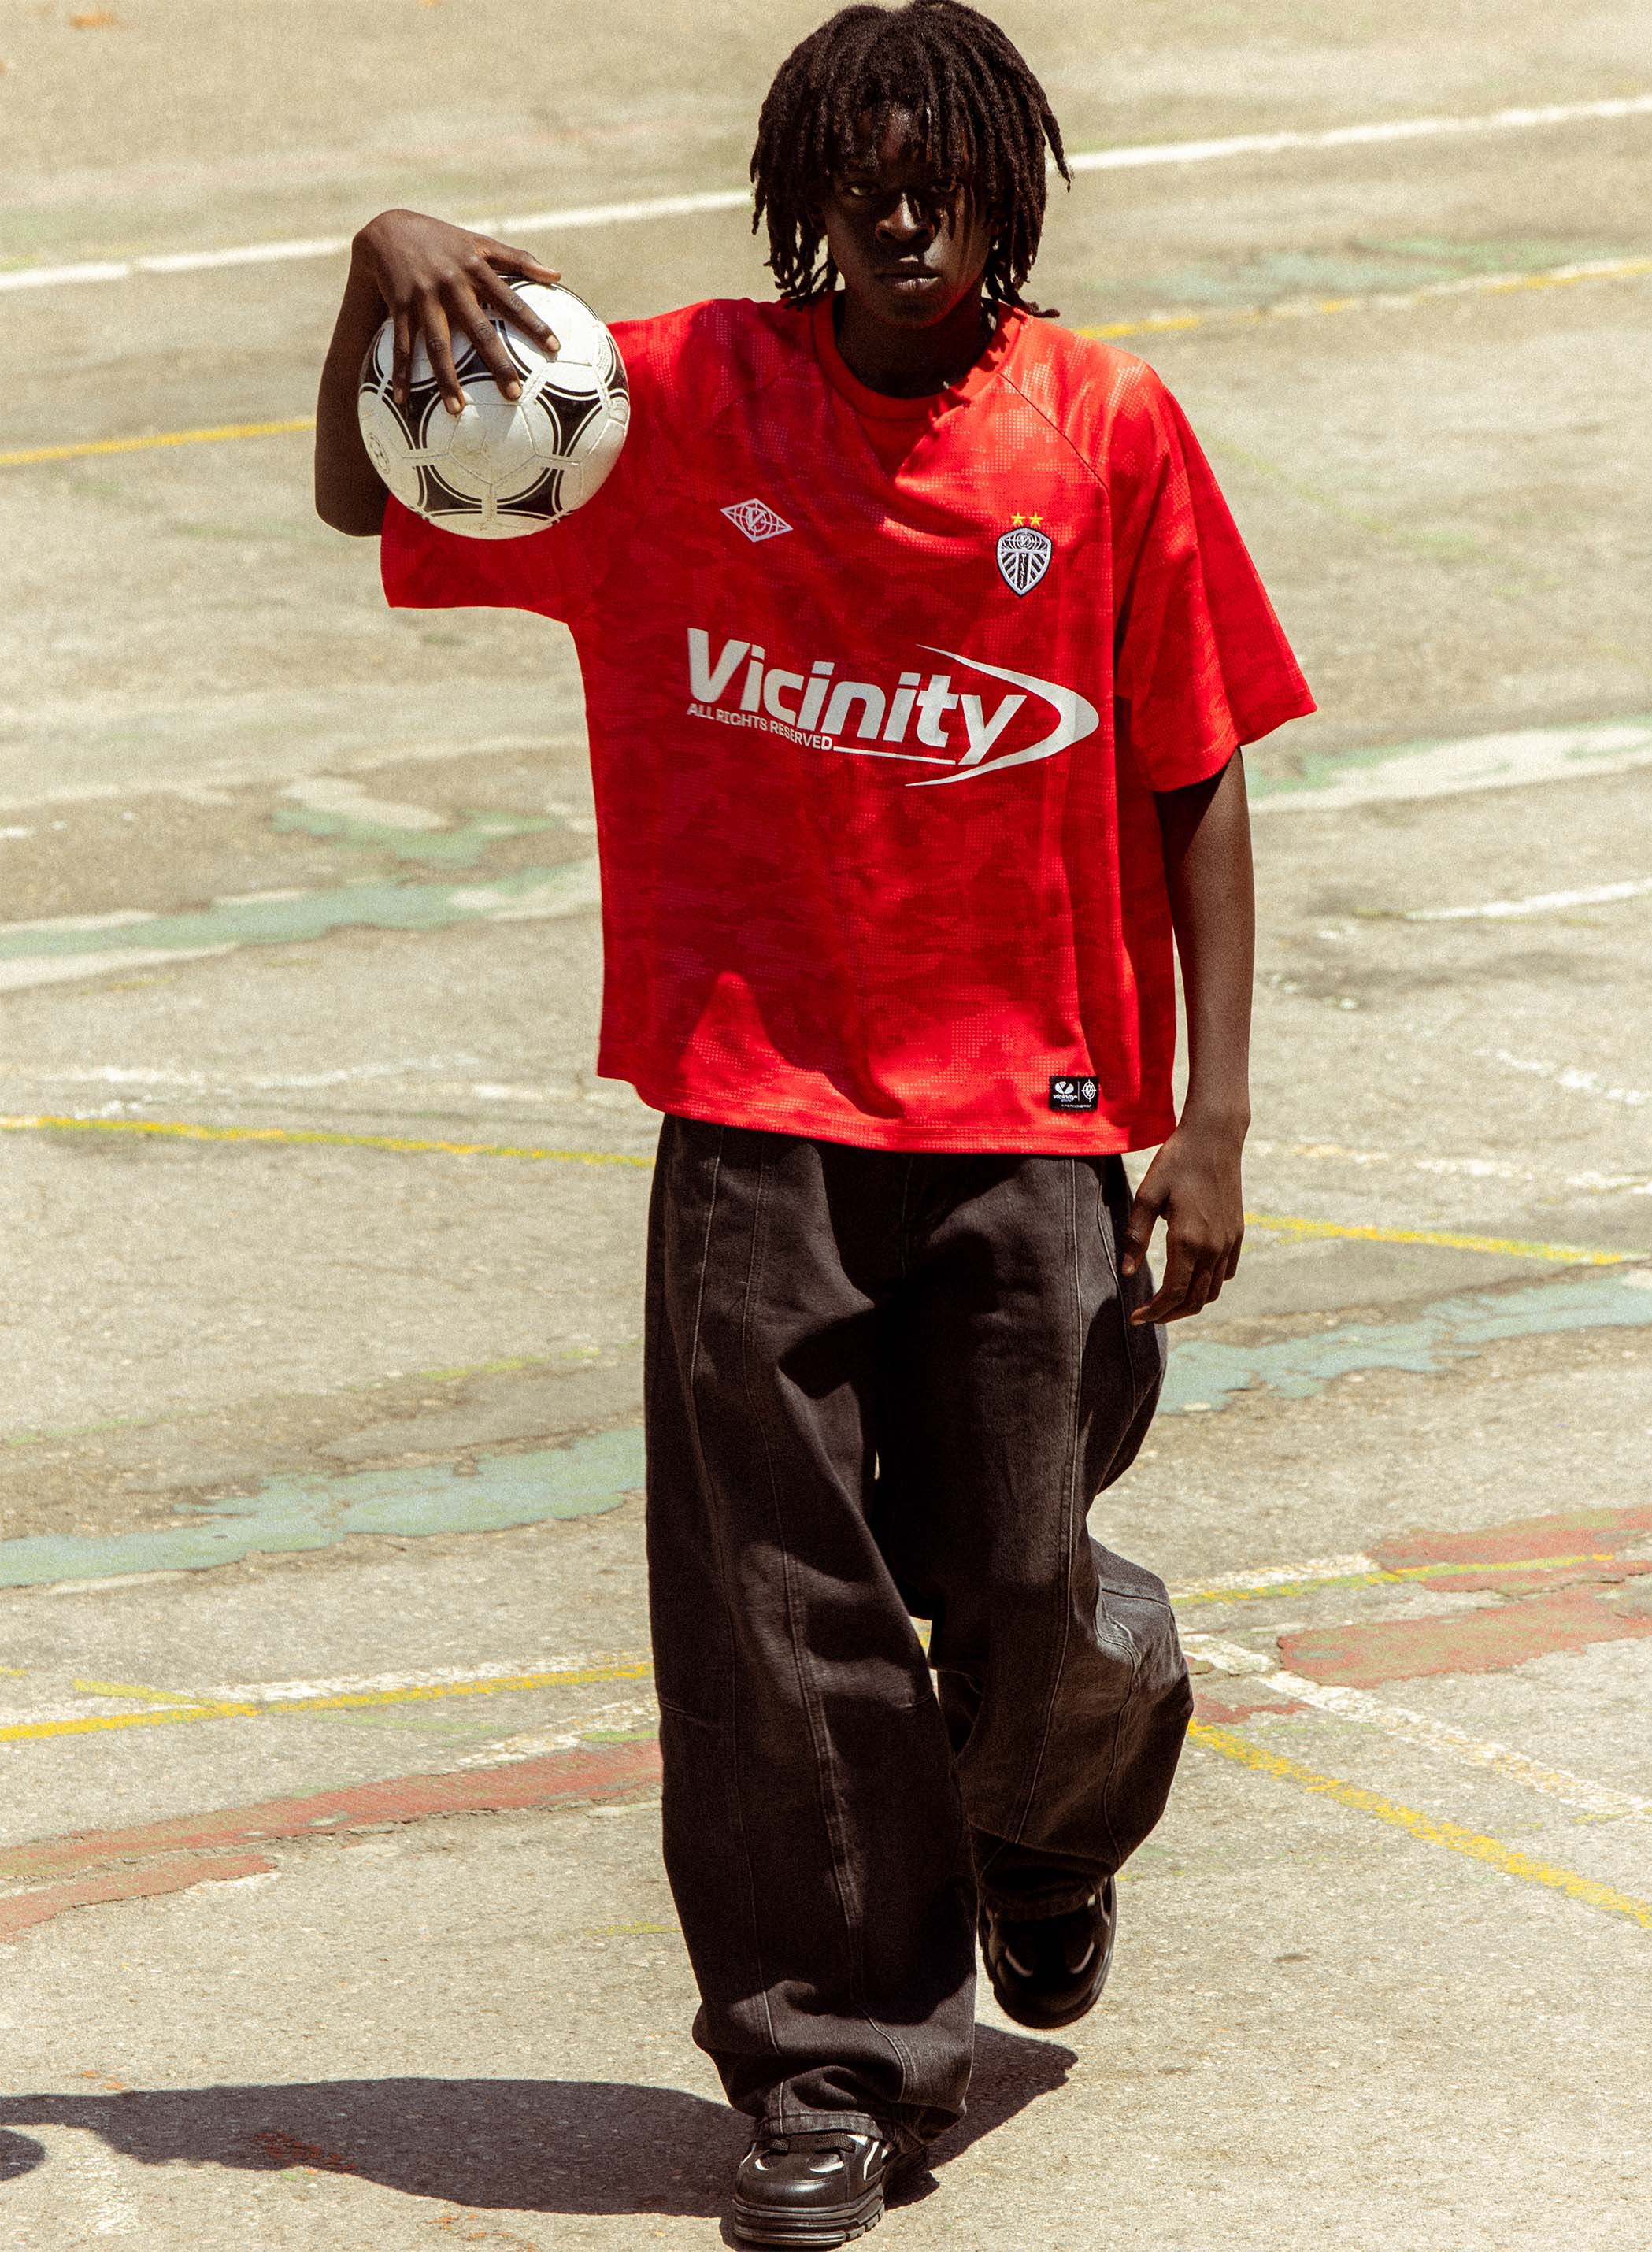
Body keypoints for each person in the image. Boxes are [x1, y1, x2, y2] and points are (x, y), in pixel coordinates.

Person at [315, 2, 1313, 2239]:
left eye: (937, 169)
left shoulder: (1104, 429)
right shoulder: (663, 407)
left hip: (1033, 1115)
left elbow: (1201, 765)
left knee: (1030, 1589)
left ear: (1003, 193)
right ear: (801, 195)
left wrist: (1213, 1114)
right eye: (856, 169)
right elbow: (365, 485)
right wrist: (375, 275)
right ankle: (831, 2067)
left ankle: (1049, 1818)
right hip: (754, 1102)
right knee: (776, 1613)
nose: (897, 204)